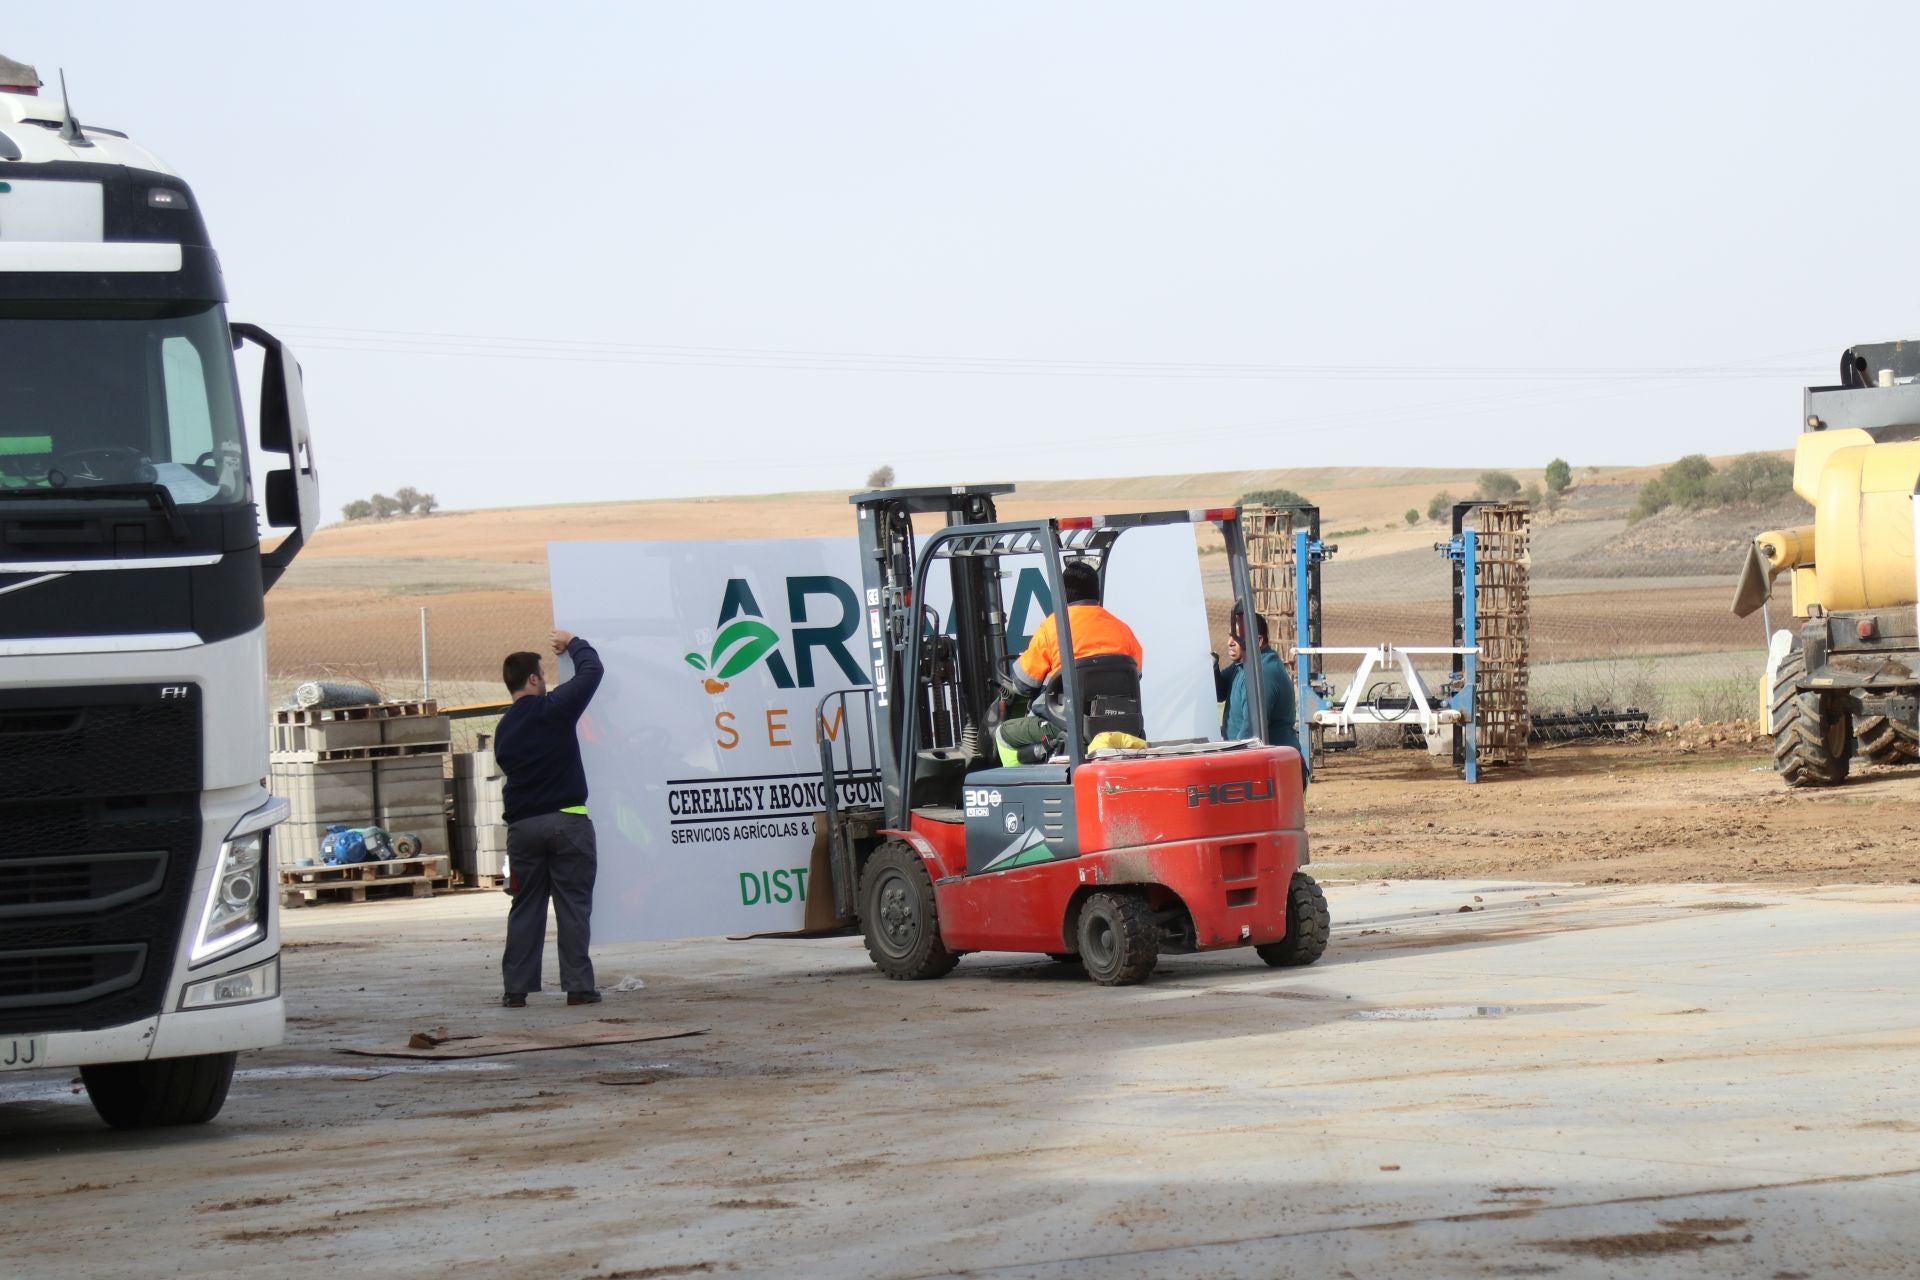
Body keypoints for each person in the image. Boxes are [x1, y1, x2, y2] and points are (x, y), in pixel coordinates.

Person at [496, 629, 605, 1008]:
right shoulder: (554, 709)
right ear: (532, 679)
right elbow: (592, 672)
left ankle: (516, 989)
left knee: (525, 907)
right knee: (573, 906)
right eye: (542, 674)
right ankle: (578, 987)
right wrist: (574, 643)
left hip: (522, 831)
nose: (545, 681)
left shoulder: (504, 729)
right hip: (567, 823)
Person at [996, 560, 1144, 763]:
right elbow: (1135, 676)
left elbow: (1023, 684)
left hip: (1066, 724)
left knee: (1003, 735)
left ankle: (1019, 790)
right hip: (1119, 722)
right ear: (1096, 592)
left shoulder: (1052, 628)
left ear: (1062, 594)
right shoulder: (1123, 630)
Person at [1218, 612, 1307, 781]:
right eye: (1230, 635)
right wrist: (1211, 666)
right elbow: (1219, 692)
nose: (1230, 642)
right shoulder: (1242, 666)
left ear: (1258, 641)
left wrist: (1226, 767)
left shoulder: (1263, 674)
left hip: (1277, 772)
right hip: (1261, 767)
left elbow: (1251, 731)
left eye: (1236, 637)